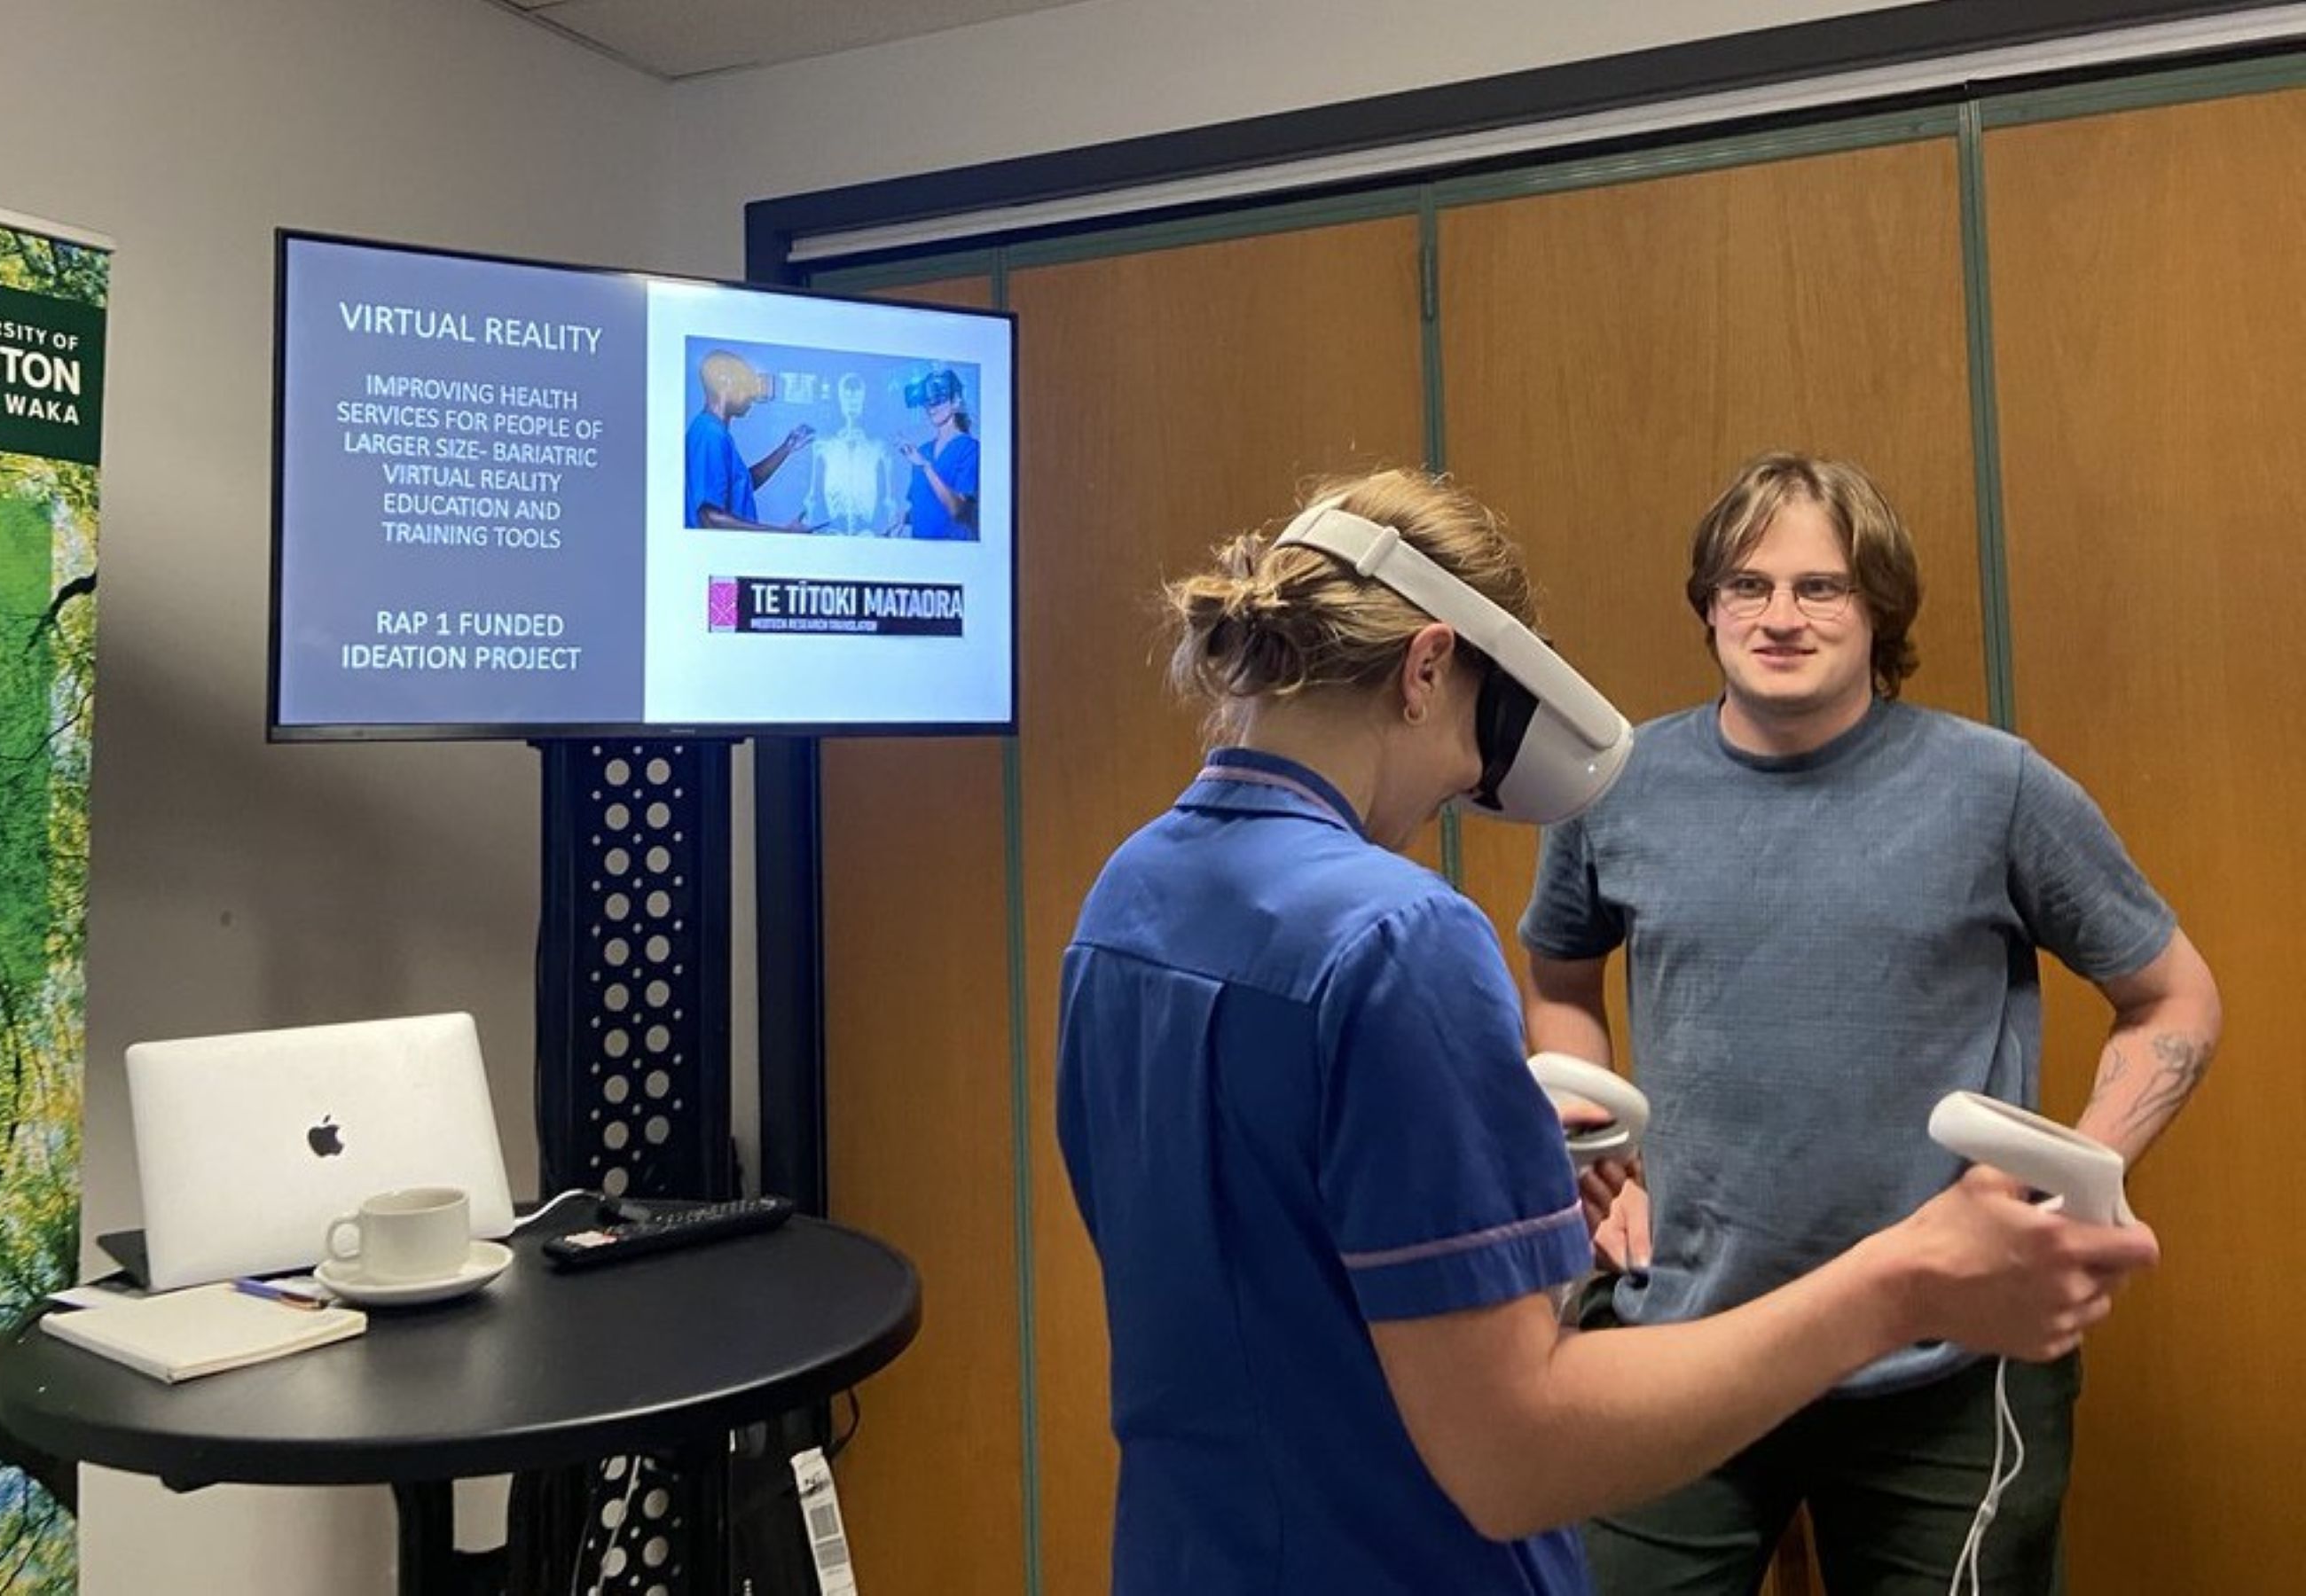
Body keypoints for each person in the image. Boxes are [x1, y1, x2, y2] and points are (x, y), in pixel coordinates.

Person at [1055, 466, 2161, 1595]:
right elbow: (1513, 1457)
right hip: (1400, 1554)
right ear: (1429, 666)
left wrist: (1510, 1157)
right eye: (1749, 584)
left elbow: (1284, 1247)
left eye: (1818, 587)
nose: (1466, 782)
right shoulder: (1398, 936)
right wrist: (1902, 1282)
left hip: (1202, 1553)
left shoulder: (1128, 896)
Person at [1519, 451, 2222, 1594]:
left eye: (1820, 587)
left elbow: (2171, 995)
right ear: (1706, 606)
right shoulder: (1617, 786)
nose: (1779, 616)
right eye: (1746, 585)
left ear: (1876, 608)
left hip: (1945, 1366)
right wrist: (1603, 1159)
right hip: (1682, 1333)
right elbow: (1557, 979)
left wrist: (2078, 1172)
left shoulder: (1992, 785)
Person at [683, 348, 812, 531]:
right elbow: (709, 517)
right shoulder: (709, 434)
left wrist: (786, 448)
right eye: (746, 382)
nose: (754, 392)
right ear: (723, 383)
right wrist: (783, 533)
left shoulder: (715, 432)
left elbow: (740, 486)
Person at [801, 372, 896, 535]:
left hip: (867, 532)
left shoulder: (879, 448)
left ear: (864, 399)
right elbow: (812, 497)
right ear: (839, 399)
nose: (852, 400)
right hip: (833, 531)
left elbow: (889, 500)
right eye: (847, 395)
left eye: (857, 395)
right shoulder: (823, 446)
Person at [890, 365, 977, 539]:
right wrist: (906, 517)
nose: (932, 408)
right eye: (928, 402)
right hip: (921, 555)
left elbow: (957, 509)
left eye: (939, 400)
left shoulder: (969, 449)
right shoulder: (923, 451)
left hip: (955, 555)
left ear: (956, 401)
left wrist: (926, 467)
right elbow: (926, 507)